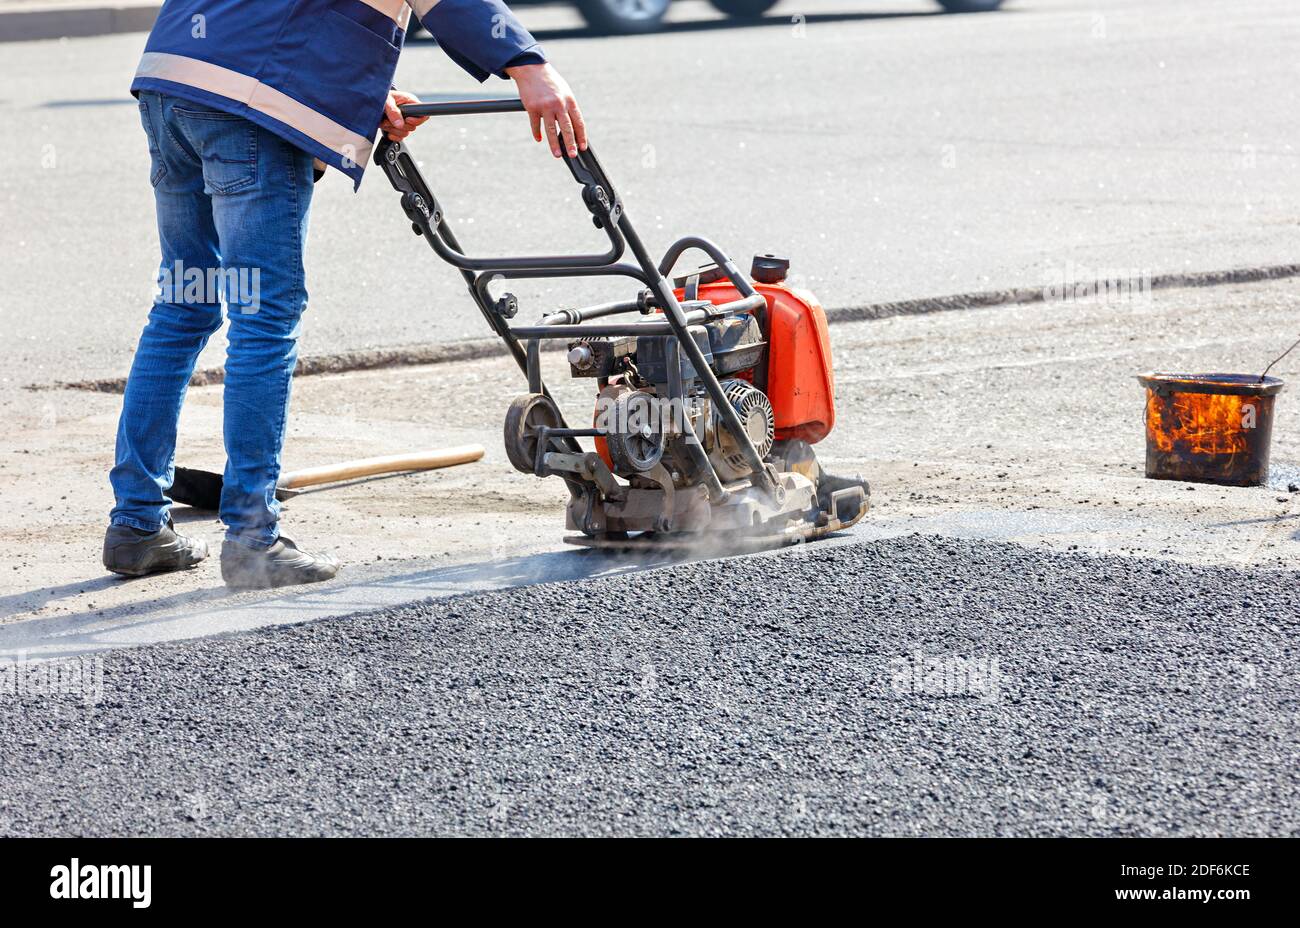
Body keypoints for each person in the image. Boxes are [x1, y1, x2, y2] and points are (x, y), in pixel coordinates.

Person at [103, 0, 586, 589]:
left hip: (174, 79)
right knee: (263, 317)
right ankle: (253, 539)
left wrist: (347, 94)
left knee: (185, 304)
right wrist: (528, 64)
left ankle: (135, 527)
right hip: (245, 101)